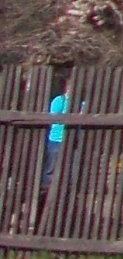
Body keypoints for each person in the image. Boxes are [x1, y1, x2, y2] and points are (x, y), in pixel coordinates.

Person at [41, 62, 71, 195]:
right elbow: (53, 117)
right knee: (51, 166)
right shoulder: (60, 100)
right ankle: (47, 187)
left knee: (68, 165)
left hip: (70, 139)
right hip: (56, 138)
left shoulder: (81, 103)